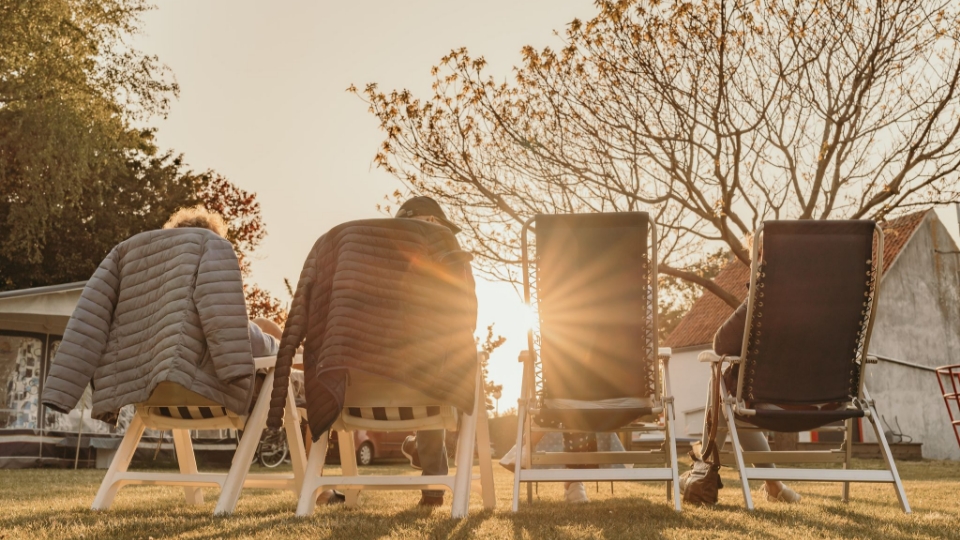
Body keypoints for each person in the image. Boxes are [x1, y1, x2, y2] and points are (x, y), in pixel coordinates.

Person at [164, 206, 347, 504]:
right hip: (223, 389)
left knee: (263, 325)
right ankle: (320, 489)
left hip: (167, 392)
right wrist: (291, 351)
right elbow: (256, 346)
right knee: (320, 383)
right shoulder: (210, 299)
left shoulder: (161, 298)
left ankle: (299, 354)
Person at [393, 196, 469, 507]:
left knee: (424, 368)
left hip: (366, 387)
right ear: (432, 224)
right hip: (429, 378)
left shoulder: (369, 263)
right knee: (435, 369)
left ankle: (419, 448)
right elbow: (468, 319)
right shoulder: (451, 262)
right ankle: (431, 478)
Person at [706, 300, 801, 503]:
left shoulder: (768, 286)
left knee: (725, 391)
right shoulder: (842, 295)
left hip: (770, 400)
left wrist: (754, 292)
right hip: (827, 403)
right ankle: (774, 485)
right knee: (731, 395)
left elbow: (721, 343)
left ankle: (703, 473)